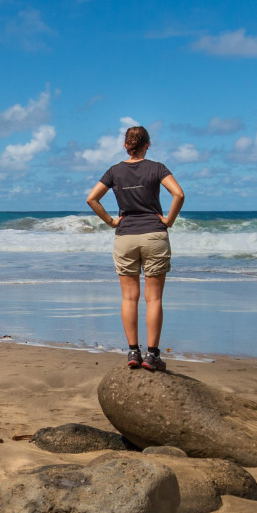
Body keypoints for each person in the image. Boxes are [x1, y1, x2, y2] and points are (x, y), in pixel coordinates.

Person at [85, 125, 185, 371]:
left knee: (129, 297)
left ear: (125, 146)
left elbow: (92, 198)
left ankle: (132, 352)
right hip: (154, 235)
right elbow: (179, 195)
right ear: (147, 144)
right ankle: (152, 355)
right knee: (154, 299)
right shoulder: (157, 168)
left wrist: (111, 221)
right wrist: (169, 220)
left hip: (126, 236)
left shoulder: (114, 171)